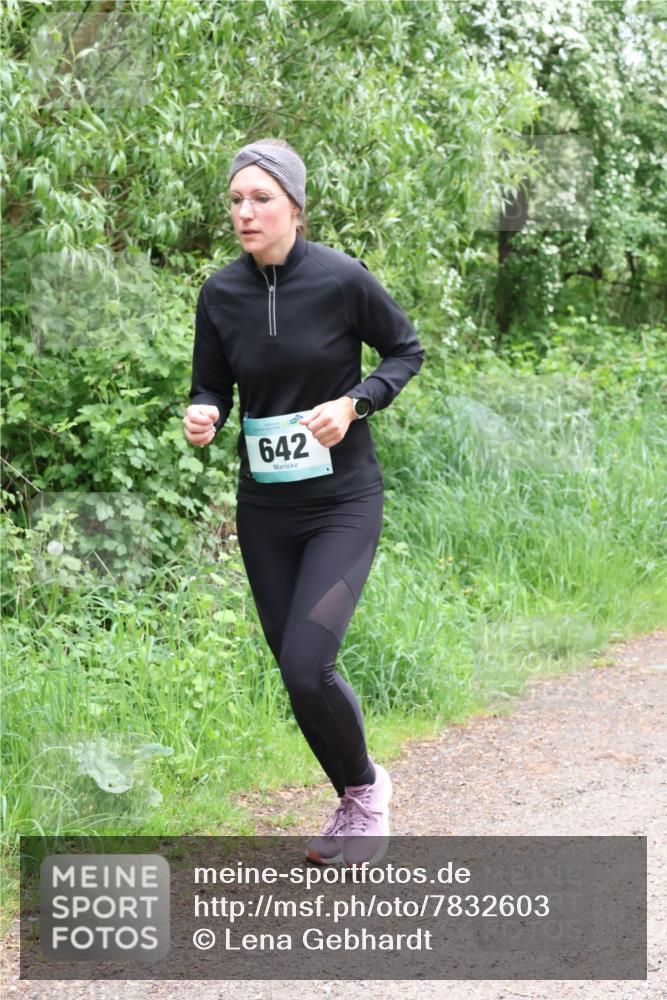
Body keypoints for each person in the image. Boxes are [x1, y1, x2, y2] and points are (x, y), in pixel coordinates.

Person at [183, 137, 424, 866]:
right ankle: (355, 793)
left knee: (306, 662)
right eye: (235, 199)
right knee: (293, 668)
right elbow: (210, 384)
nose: (244, 213)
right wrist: (204, 415)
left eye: (260, 198)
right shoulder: (219, 293)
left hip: (343, 503)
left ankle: (366, 797)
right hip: (264, 509)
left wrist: (354, 402)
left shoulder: (342, 279)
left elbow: (405, 351)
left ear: (294, 204)